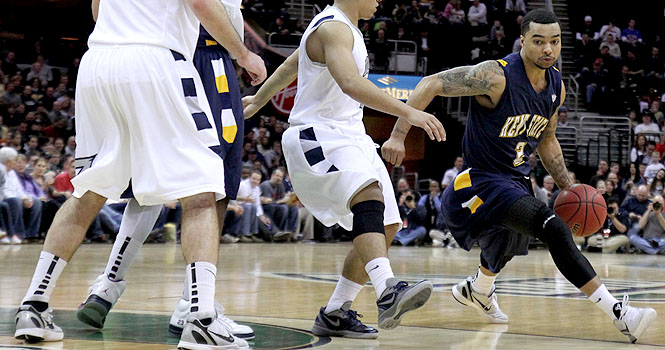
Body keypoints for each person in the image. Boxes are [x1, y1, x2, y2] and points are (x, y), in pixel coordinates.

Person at [381, 9, 656, 342]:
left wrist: (569, 188)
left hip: (516, 181)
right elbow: (431, 83)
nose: (547, 50)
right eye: (538, 42)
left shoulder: (556, 84)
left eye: (554, 42)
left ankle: (479, 290)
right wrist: (398, 134)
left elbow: (547, 138)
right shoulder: (496, 76)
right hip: (479, 181)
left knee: (508, 243)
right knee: (552, 228)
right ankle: (619, 313)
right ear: (522, 40)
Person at [14, 1, 265, 349]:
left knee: (89, 189)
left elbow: (98, 8)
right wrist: (243, 53)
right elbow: (201, 2)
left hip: (99, 62)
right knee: (203, 191)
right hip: (157, 58)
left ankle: (34, 306)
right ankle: (202, 319)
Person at [242, 0, 444, 339]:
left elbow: (292, 64)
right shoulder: (333, 27)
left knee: (389, 224)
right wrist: (408, 112)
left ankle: (336, 311)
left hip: (352, 136)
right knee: (368, 193)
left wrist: (260, 98)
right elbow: (350, 83)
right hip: (318, 133)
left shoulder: (342, 29)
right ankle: (387, 290)